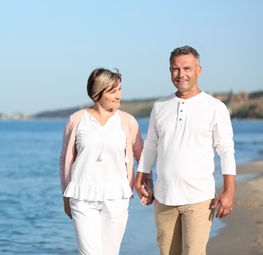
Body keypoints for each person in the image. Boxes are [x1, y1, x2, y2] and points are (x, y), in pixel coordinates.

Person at [135, 45, 236, 255]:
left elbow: (226, 151)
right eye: (175, 69)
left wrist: (229, 191)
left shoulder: (215, 107)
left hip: (199, 198)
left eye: (187, 68)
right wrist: (141, 176)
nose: (181, 74)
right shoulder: (160, 106)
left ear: (198, 70)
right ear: (170, 71)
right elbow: (151, 144)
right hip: (164, 197)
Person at [59, 67, 153, 254]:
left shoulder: (127, 121)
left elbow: (141, 155)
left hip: (116, 196)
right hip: (82, 195)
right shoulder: (77, 120)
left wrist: (145, 183)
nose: (119, 95)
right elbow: (65, 160)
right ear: (97, 93)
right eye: (113, 91)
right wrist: (65, 197)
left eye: (119, 89)